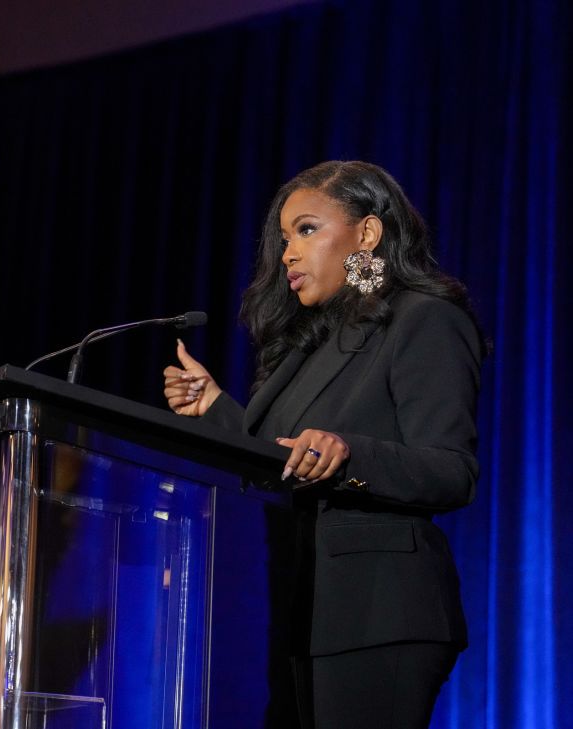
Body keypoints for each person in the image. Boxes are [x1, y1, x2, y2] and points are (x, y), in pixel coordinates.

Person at [163, 161, 485, 728]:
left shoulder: (424, 320)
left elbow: (451, 470)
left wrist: (349, 455)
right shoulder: (303, 348)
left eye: (307, 230)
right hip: (293, 614)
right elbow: (276, 464)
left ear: (366, 233)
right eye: (285, 238)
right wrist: (213, 408)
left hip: (376, 615)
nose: (287, 253)